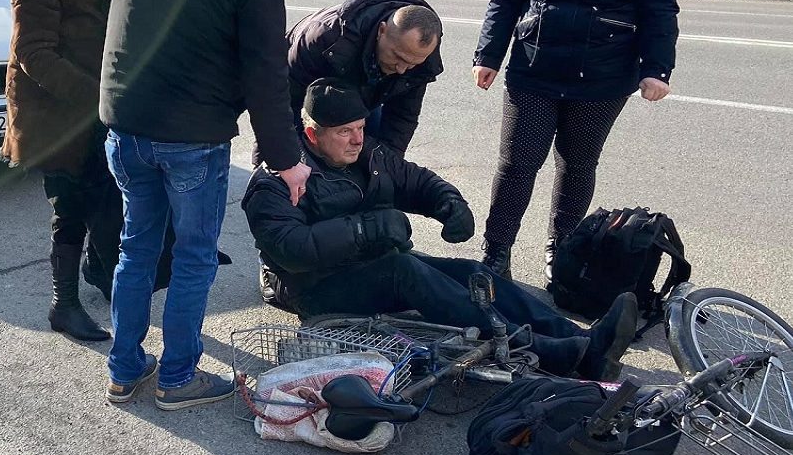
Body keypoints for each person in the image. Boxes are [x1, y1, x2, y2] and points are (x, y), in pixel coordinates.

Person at [99, 0, 311, 410]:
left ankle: (124, 369)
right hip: (191, 135)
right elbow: (266, 70)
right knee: (193, 256)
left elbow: (122, 23)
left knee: (136, 248)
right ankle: (178, 379)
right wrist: (288, 159)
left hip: (125, 123)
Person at [242, 79, 640, 381]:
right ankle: (555, 354)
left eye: (361, 127)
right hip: (315, 289)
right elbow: (289, 249)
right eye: (345, 131)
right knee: (407, 271)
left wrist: (449, 204)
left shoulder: (369, 154)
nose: (358, 139)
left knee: (474, 274)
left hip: (371, 265)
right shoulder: (279, 176)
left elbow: (414, 180)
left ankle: (583, 341)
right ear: (313, 134)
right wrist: (368, 229)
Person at [473, 0, 679, 281]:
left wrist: (656, 68)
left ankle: (562, 254)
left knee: (577, 163)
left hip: (603, 76)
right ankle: (495, 254)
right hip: (535, 66)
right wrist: (489, 53)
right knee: (517, 164)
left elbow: (659, 6)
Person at [0, 0, 146, 342]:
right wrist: (99, 97)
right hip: (55, 114)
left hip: (100, 112)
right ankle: (63, 304)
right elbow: (32, 54)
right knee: (70, 206)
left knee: (106, 197)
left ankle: (98, 271)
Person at [286, 0, 443, 156]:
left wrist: (386, 170)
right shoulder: (325, 39)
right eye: (397, 56)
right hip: (299, 83)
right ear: (381, 31)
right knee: (300, 155)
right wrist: (275, 166)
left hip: (363, 89)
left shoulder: (419, 59)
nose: (402, 69)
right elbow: (281, 105)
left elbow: (402, 117)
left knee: (370, 154)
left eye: (413, 63)